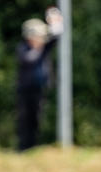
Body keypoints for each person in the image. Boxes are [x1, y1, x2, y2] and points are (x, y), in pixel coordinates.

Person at [16, 7, 64, 152]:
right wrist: (38, 47)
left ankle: (33, 147)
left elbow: (56, 34)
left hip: (39, 88)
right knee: (25, 120)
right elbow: (29, 59)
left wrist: (54, 19)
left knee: (36, 119)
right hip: (25, 89)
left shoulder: (43, 47)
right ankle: (23, 148)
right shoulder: (23, 48)